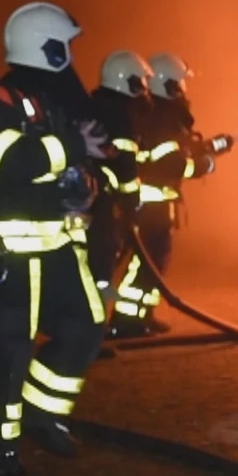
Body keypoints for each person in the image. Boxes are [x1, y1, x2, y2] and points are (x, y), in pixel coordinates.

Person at [0, 2, 114, 476]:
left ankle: (41, 413)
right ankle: (0, 452)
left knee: (87, 327)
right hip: (12, 250)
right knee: (8, 351)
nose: (69, 56)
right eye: (63, 46)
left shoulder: (53, 104)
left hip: (59, 245)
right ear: (45, 48)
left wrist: (88, 179)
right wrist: (71, 148)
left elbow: (78, 163)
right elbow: (14, 162)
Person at [108, 51, 231, 337]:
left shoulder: (159, 115)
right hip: (150, 204)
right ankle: (127, 322)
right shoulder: (163, 118)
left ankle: (140, 317)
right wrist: (205, 164)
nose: (185, 90)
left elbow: (177, 149)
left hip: (148, 203)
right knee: (149, 262)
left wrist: (209, 147)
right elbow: (171, 163)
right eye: (181, 84)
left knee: (150, 264)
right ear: (170, 85)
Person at [86, 50, 154, 311]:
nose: (146, 91)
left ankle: (88, 334)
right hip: (102, 204)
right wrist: (132, 203)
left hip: (89, 199)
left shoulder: (98, 105)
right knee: (99, 266)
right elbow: (125, 166)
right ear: (130, 82)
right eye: (142, 83)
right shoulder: (120, 114)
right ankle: (87, 339)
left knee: (94, 264)